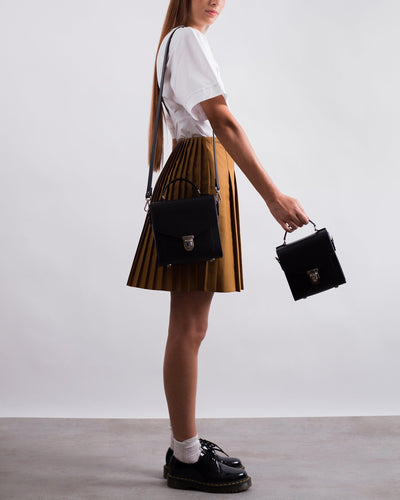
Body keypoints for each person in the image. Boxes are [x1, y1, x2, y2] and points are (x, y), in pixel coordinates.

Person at [126, 0, 309, 493]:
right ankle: (185, 455)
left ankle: (185, 446)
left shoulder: (178, 41)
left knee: (192, 326)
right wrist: (273, 196)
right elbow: (222, 122)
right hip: (200, 177)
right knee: (188, 327)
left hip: (199, 175)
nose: (216, 0)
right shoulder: (187, 39)